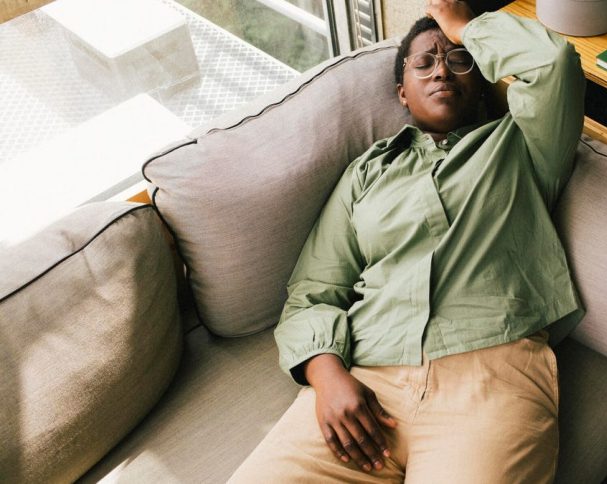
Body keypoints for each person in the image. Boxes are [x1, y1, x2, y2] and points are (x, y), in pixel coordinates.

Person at [229, 0, 585, 482]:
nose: (442, 70)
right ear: (402, 92)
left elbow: (553, 64)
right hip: (363, 378)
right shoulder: (366, 173)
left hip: (489, 379)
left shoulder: (523, 144)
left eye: (458, 60)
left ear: (480, 84)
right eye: (424, 62)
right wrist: (326, 375)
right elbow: (314, 290)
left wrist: (461, 25)